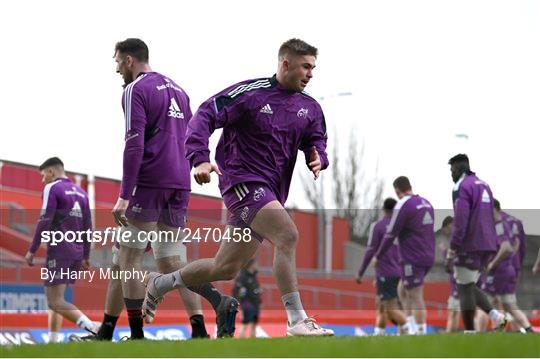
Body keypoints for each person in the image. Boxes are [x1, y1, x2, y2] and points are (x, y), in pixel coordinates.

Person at [143, 38, 333, 337]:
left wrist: (317, 156)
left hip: (270, 192)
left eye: (313, 68)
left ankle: (160, 283)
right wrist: (200, 159)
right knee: (288, 234)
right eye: (305, 67)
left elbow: (316, 139)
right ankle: (296, 319)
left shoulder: (310, 108)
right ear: (286, 63)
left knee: (225, 267)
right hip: (243, 183)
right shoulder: (249, 94)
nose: (310, 73)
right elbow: (204, 114)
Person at [109, 38, 234, 339]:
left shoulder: (135, 89)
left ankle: (136, 335)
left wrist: (125, 194)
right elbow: (191, 135)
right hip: (179, 183)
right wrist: (196, 164)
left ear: (129, 60)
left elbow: (134, 143)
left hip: (150, 182)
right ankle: (205, 321)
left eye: (116, 62)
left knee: (128, 259)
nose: (116, 70)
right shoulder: (180, 90)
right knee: (171, 262)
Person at [25, 157, 98, 343]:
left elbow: (44, 220)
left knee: (54, 301)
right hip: (76, 252)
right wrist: (86, 255)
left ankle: (93, 327)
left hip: (59, 250)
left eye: (43, 176)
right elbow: (88, 227)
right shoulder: (82, 193)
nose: (43, 181)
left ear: (51, 172)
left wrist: (32, 249)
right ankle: (53, 341)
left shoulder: (52, 188)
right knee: (57, 298)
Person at [444, 154, 508, 332]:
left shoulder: (461, 186)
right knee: (469, 285)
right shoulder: (484, 185)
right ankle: (496, 317)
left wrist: (452, 251)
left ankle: (470, 333)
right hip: (488, 244)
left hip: (470, 243)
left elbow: (461, 219)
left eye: (451, 171)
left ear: (457, 169)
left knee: (464, 288)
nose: (451, 175)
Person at [373, 177, 435, 335]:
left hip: (412, 257)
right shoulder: (426, 203)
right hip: (428, 254)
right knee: (402, 289)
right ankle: (408, 329)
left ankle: (420, 333)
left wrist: (378, 256)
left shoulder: (403, 204)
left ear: (397, 191)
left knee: (415, 294)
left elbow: (391, 233)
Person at [356, 198, 407, 335]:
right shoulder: (401, 227)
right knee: (380, 305)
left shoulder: (378, 226)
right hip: (398, 273)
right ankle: (379, 333)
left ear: (383, 209)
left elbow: (370, 250)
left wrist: (360, 273)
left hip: (386, 273)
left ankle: (412, 328)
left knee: (390, 308)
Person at [483, 200, 534, 333]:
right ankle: (525, 329)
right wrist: (516, 264)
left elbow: (507, 247)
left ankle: (495, 330)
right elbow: (518, 244)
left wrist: (492, 263)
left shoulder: (499, 223)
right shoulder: (512, 222)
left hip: (500, 269)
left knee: (490, 301)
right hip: (510, 267)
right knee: (507, 303)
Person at [232, 259, 262, 338]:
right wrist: (239, 301)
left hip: (255, 302)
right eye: (256, 264)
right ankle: (241, 337)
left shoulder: (253, 276)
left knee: (254, 322)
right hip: (247, 302)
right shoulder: (243, 276)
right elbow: (237, 289)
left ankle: (253, 336)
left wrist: (259, 300)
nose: (257, 266)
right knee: (246, 321)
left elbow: (255, 289)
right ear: (251, 265)